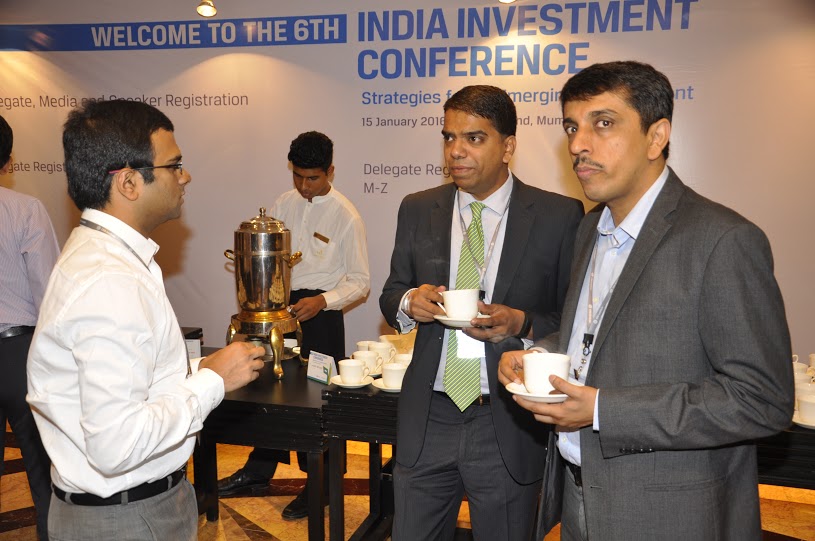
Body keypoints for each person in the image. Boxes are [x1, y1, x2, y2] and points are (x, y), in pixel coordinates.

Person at [498, 60, 794, 540]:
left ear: (656, 137)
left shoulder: (722, 240)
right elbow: (593, 336)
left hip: (669, 516)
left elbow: (761, 400)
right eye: (572, 127)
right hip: (578, 498)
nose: (578, 144)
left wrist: (602, 410)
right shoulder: (589, 228)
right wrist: (536, 354)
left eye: (603, 123)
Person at [26, 99, 266, 541]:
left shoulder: (109, 257)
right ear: (130, 182)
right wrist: (212, 382)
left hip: (135, 507)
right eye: (174, 165)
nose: (185, 176)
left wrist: (201, 368)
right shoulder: (108, 281)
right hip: (125, 519)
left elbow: (133, 383)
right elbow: (117, 444)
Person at [379, 85, 584, 539]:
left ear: (507, 146)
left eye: (473, 138)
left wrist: (522, 323)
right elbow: (392, 292)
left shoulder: (558, 216)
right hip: (428, 416)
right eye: (449, 137)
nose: (456, 151)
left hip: (506, 418)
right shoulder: (418, 209)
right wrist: (410, 302)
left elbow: (573, 321)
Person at [217, 131, 370, 520]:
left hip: (322, 313)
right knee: (270, 391)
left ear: (330, 171)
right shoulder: (283, 204)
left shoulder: (346, 215)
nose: (304, 186)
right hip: (280, 309)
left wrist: (322, 301)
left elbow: (360, 281)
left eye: (313, 178)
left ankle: (321, 484)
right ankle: (258, 470)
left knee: (318, 402)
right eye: (298, 176)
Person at [0, 114, 58, 541]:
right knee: (41, 468)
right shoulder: (25, 209)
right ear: (8, 161)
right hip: (19, 353)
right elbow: (48, 290)